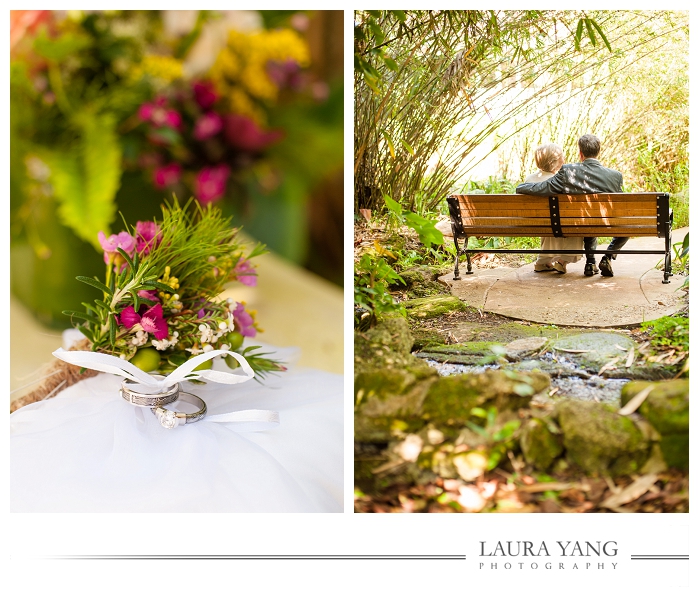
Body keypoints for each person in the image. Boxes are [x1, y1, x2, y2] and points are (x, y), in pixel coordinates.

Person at [516, 134, 626, 277]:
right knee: (617, 224)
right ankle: (608, 257)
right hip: (602, 222)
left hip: (582, 222)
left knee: (587, 220)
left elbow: (542, 188)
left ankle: (591, 263)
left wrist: (522, 187)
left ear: (580, 153)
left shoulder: (569, 172)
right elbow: (620, 205)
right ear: (598, 152)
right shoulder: (615, 176)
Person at [525, 143, 583, 274]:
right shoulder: (561, 180)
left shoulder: (529, 179)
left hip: (535, 223)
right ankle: (562, 262)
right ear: (554, 161)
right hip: (558, 223)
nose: (564, 158)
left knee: (550, 221)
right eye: (562, 156)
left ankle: (542, 262)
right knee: (572, 225)